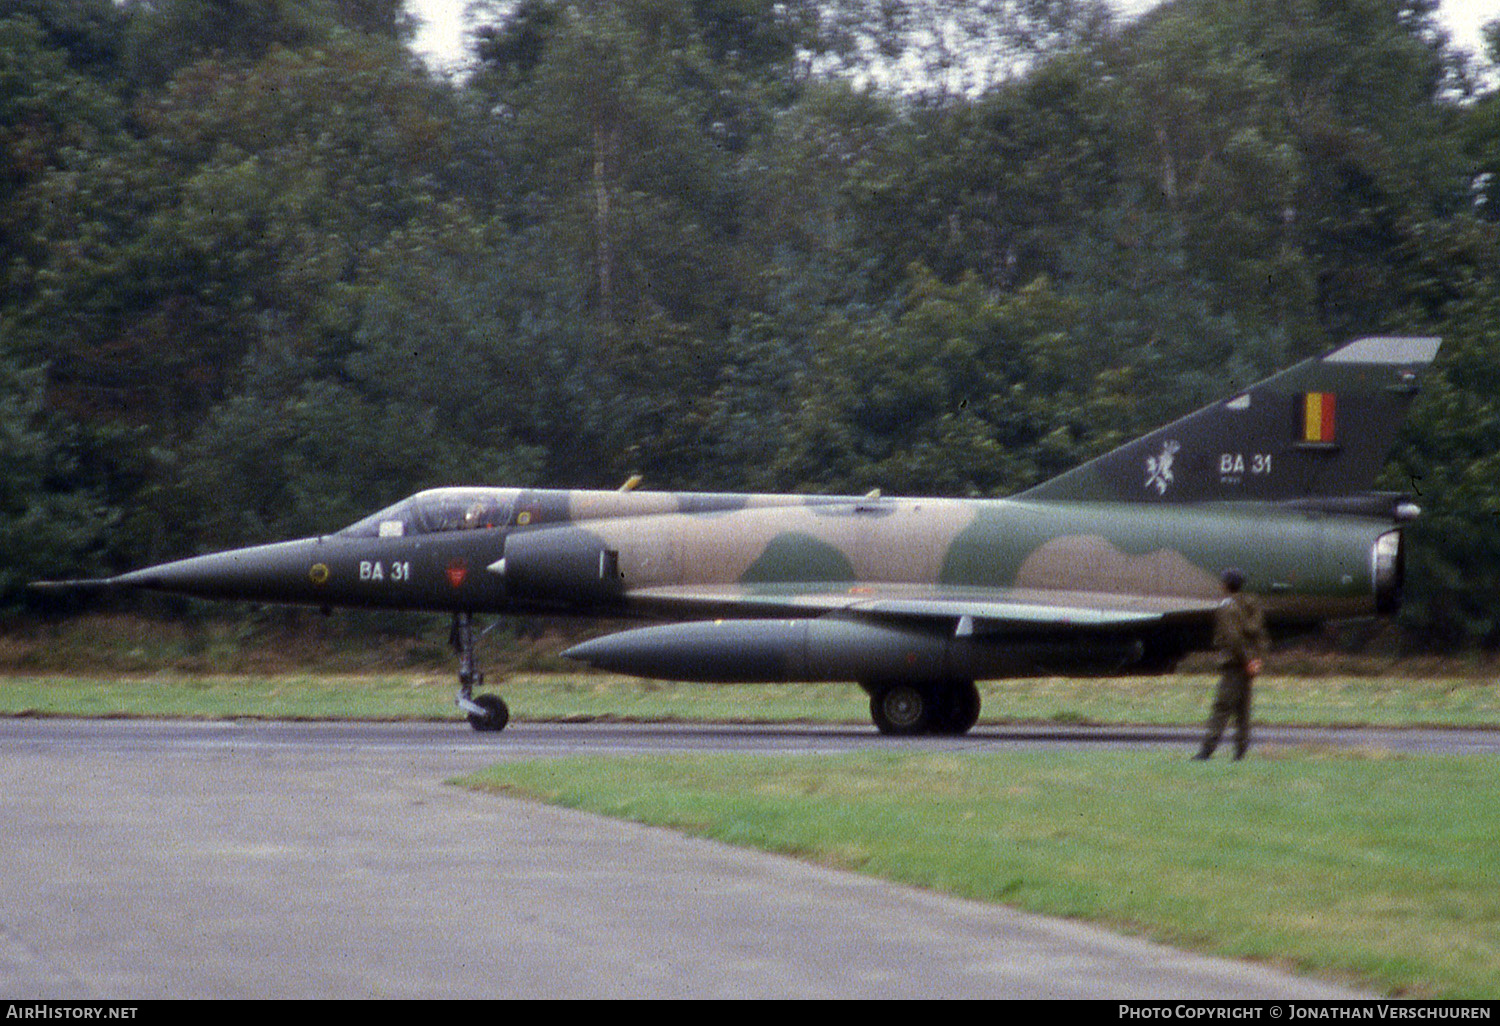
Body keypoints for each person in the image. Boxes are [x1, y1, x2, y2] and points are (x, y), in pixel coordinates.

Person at [1195, 568, 1269, 761]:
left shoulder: (1227, 607)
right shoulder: (1251, 605)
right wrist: (1255, 661)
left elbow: (1233, 638)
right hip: (1249, 664)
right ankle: (1241, 752)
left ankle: (1206, 751)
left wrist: (1245, 661)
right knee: (1243, 711)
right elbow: (1259, 634)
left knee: (1221, 708)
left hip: (1235, 665)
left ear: (1225, 585)